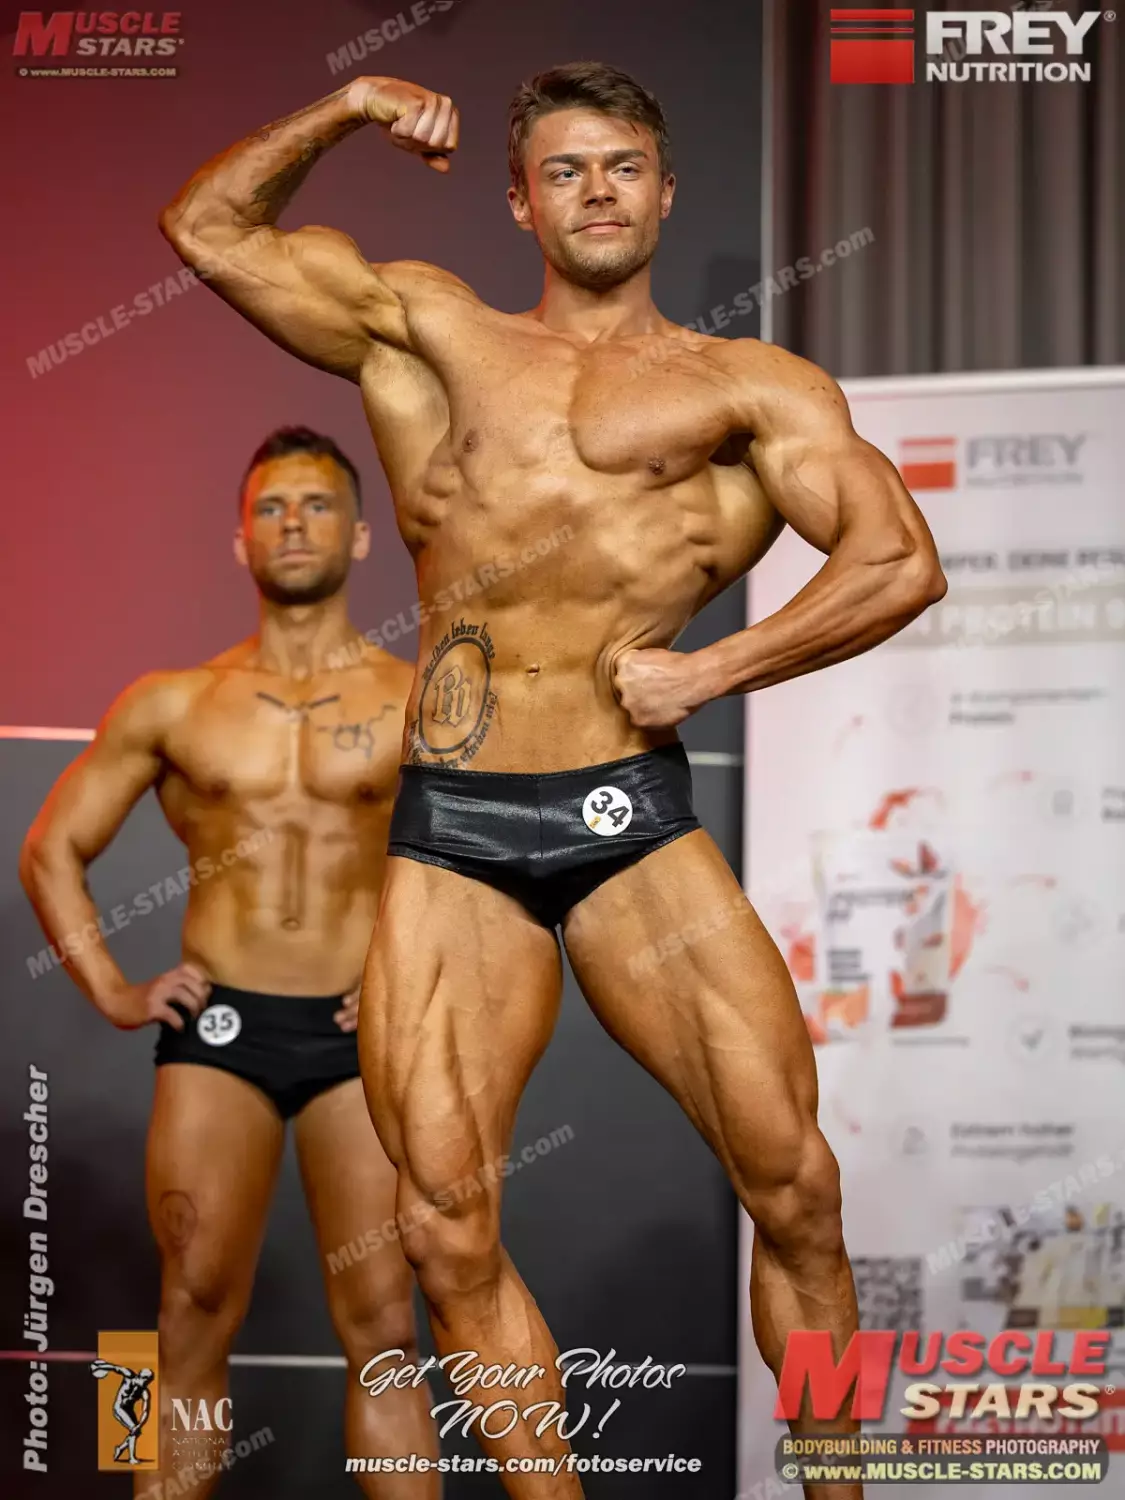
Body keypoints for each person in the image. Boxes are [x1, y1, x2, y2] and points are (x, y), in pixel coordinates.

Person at [158, 63, 947, 1497]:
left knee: (798, 1188)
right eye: (566, 170)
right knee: (442, 1230)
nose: (597, 192)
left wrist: (715, 671)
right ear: (521, 200)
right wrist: (344, 108)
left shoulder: (748, 388)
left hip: (626, 816)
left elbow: (899, 562)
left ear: (665, 190)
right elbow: (207, 228)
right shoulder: (429, 333)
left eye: (623, 166)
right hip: (456, 832)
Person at [21, 427, 438, 1498]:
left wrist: (408, 983)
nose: (292, 524)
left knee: (388, 1325)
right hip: (219, 1035)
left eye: (316, 505)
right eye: (270, 508)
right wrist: (115, 989)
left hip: (359, 1040)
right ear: (239, 541)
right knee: (180, 1311)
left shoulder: (414, 697)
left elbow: (482, 868)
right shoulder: (171, 701)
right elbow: (50, 849)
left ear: (361, 535)